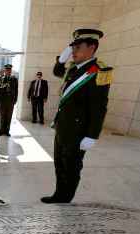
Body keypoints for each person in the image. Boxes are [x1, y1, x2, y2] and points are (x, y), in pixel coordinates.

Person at [41, 29, 112, 204]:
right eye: (72, 47)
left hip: (78, 131)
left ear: (92, 47)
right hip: (63, 127)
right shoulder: (73, 69)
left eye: (78, 47)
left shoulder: (99, 71)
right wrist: (61, 59)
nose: (74, 51)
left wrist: (91, 135)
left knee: (71, 167)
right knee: (60, 164)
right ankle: (59, 194)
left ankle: (65, 198)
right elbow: (58, 72)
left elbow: (99, 108)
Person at [0, 64, 18, 136]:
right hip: (3, 100)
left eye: (9, 70)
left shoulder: (14, 79)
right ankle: (1, 131)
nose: (8, 71)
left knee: (9, 116)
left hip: (11, 100)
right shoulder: (1, 78)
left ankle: (7, 131)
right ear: (5, 71)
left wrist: (15, 99)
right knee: (2, 116)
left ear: (11, 71)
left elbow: (16, 90)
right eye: (7, 70)